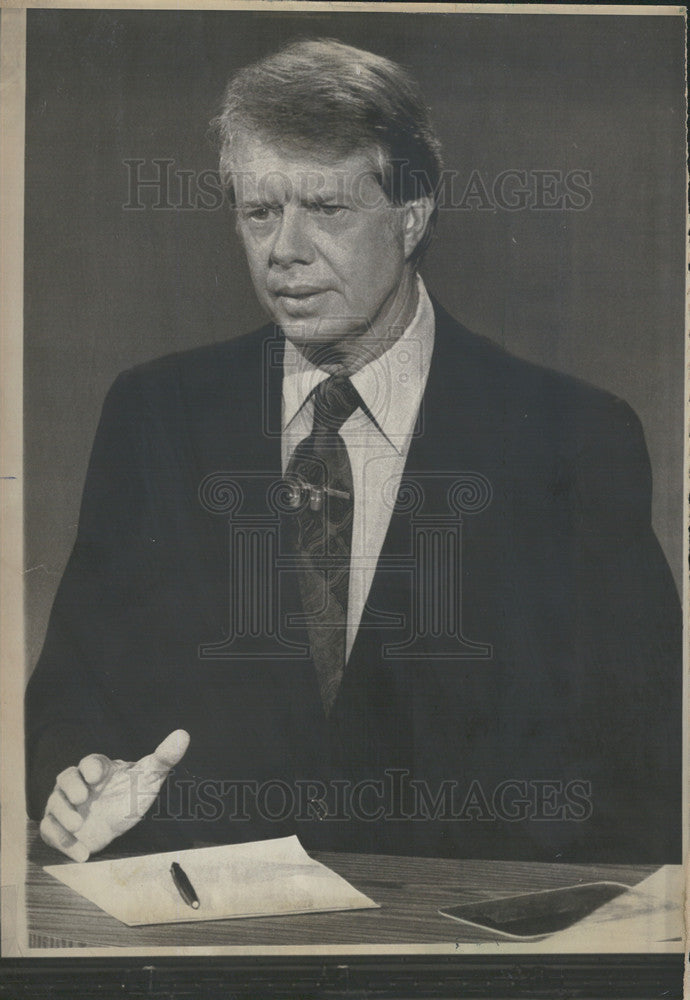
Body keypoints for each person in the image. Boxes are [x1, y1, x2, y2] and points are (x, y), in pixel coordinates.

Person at [26, 39, 681, 865]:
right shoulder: (157, 416)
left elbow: (640, 761)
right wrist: (77, 778)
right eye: (260, 212)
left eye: (325, 209)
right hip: (213, 949)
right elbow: (72, 691)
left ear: (411, 216)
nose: (283, 251)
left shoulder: (573, 438)